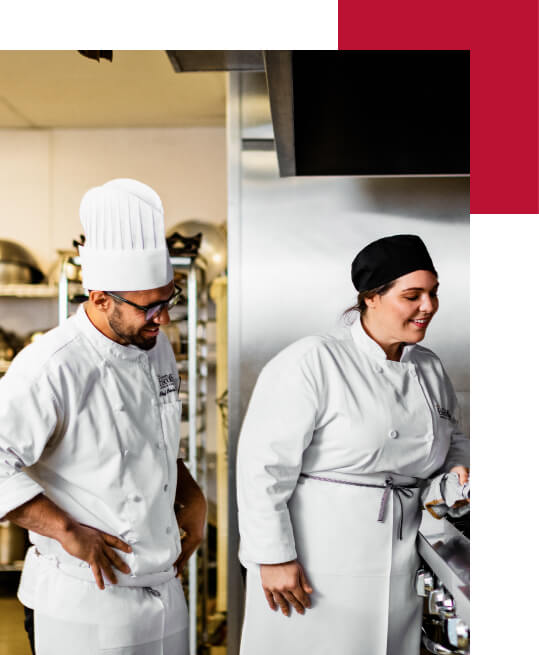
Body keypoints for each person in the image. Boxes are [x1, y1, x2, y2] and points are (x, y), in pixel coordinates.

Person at [0, 179, 207, 655]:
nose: (164, 319)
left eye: (168, 299)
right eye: (149, 307)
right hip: (85, 601)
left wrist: (189, 492)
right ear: (99, 299)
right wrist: (65, 529)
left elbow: (146, 435)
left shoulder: (153, 345)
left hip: (163, 590)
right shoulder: (52, 365)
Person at [236, 234, 469, 655]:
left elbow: (453, 439)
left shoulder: (429, 366)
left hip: (401, 558)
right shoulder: (314, 361)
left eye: (433, 294)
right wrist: (272, 558)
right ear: (371, 298)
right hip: (316, 561)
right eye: (412, 295)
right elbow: (262, 467)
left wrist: (457, 468)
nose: (429, 307)